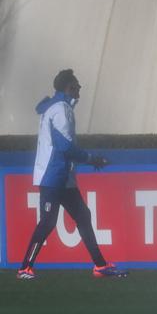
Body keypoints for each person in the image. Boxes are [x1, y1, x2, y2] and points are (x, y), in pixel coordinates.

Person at [16, 69, 128, 279]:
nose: (80, 89)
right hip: (53, 176)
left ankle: (100, 265)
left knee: (83, 216)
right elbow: (64, 147)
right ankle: (24, 268)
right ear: (69, 87)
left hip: (61, 176)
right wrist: (91, 158)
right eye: (77, 85)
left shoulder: (58, 107)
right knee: (49, 221)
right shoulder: (61, 109)